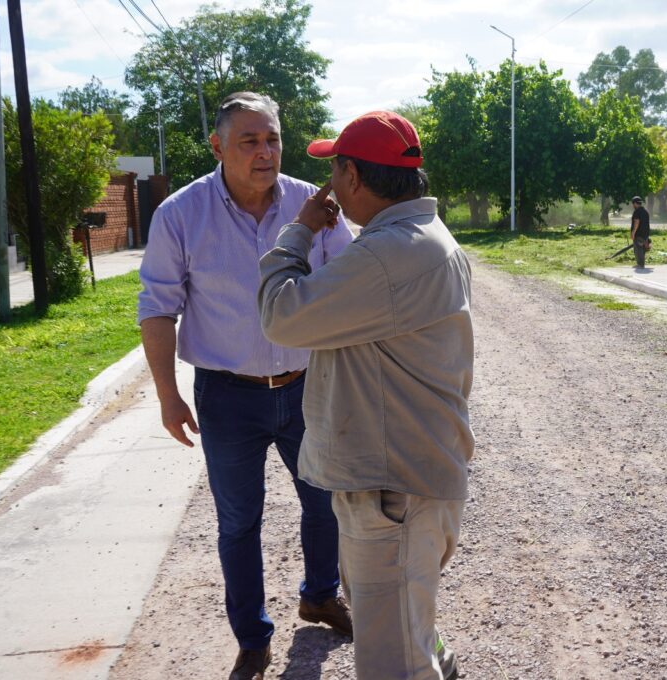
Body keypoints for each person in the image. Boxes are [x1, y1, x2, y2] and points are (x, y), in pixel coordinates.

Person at [137, 91, 354, 680]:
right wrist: (167, 394)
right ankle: (252, 636)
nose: (265, 152)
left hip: (307, 385)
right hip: (227, 395)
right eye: (249, 141)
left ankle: (319, 593)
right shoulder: (181, 214)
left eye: (273, 139)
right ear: (218, 146)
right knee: (238, 521)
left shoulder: (314, 205)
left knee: (326, 502)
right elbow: (158, 309)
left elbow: (351, 288)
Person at [257, 110, 474, 680]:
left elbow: (281, 316)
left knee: (392, 663)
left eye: (334, 170)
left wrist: (298, 231)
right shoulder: (424, 238)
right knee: (409, 627)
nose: (329, 184)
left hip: (392, 490)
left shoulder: (385, 256)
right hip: (409, 483)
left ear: (352, 176)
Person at [630, 195, 652, 268]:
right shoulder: (645, 211)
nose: (633, 205)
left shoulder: (637, 211)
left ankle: (640, 264)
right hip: (645, 234)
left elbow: (637, 222)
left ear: (635, 203)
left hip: (639, 233)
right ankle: (641, 264)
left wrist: (633, 232)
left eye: (633, 204)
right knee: (642, 249)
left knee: (638, 249)